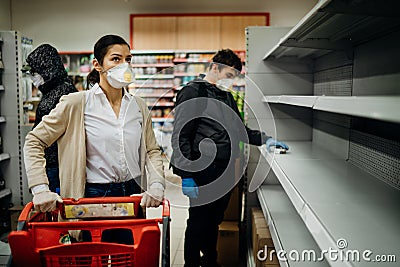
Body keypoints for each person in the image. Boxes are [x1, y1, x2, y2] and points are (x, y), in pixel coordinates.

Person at [24, 35, 165, 219]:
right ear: (97, 65)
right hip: (92, 195)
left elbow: (152, 150)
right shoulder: (77, 103)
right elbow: (34, 141)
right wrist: (40, 188)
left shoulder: (138, 106)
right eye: (116, 59)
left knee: (129, 247)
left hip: (132, 193)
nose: (125, 65)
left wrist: (156, 185)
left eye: (128, 59)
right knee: (96, 246)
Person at [171, 49, 288, 267]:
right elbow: (181, 136)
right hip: (201, 173)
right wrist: (186, 175)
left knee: (214, 220)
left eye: (234, 78)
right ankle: (191, 264)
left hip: (224, 172)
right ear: (215, 68)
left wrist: (265, 139)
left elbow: (239, 130)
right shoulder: (193, 92)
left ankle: (210, 261)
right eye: (229, 76)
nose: (231, 82)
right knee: (197, 222)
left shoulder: (226, 96)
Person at [22, 44, 77, 193]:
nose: (33, 77)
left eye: (35, 72)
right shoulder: (57, 90)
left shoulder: (61, 92)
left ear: (46, 70)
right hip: (54, 163)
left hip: (57, 164)